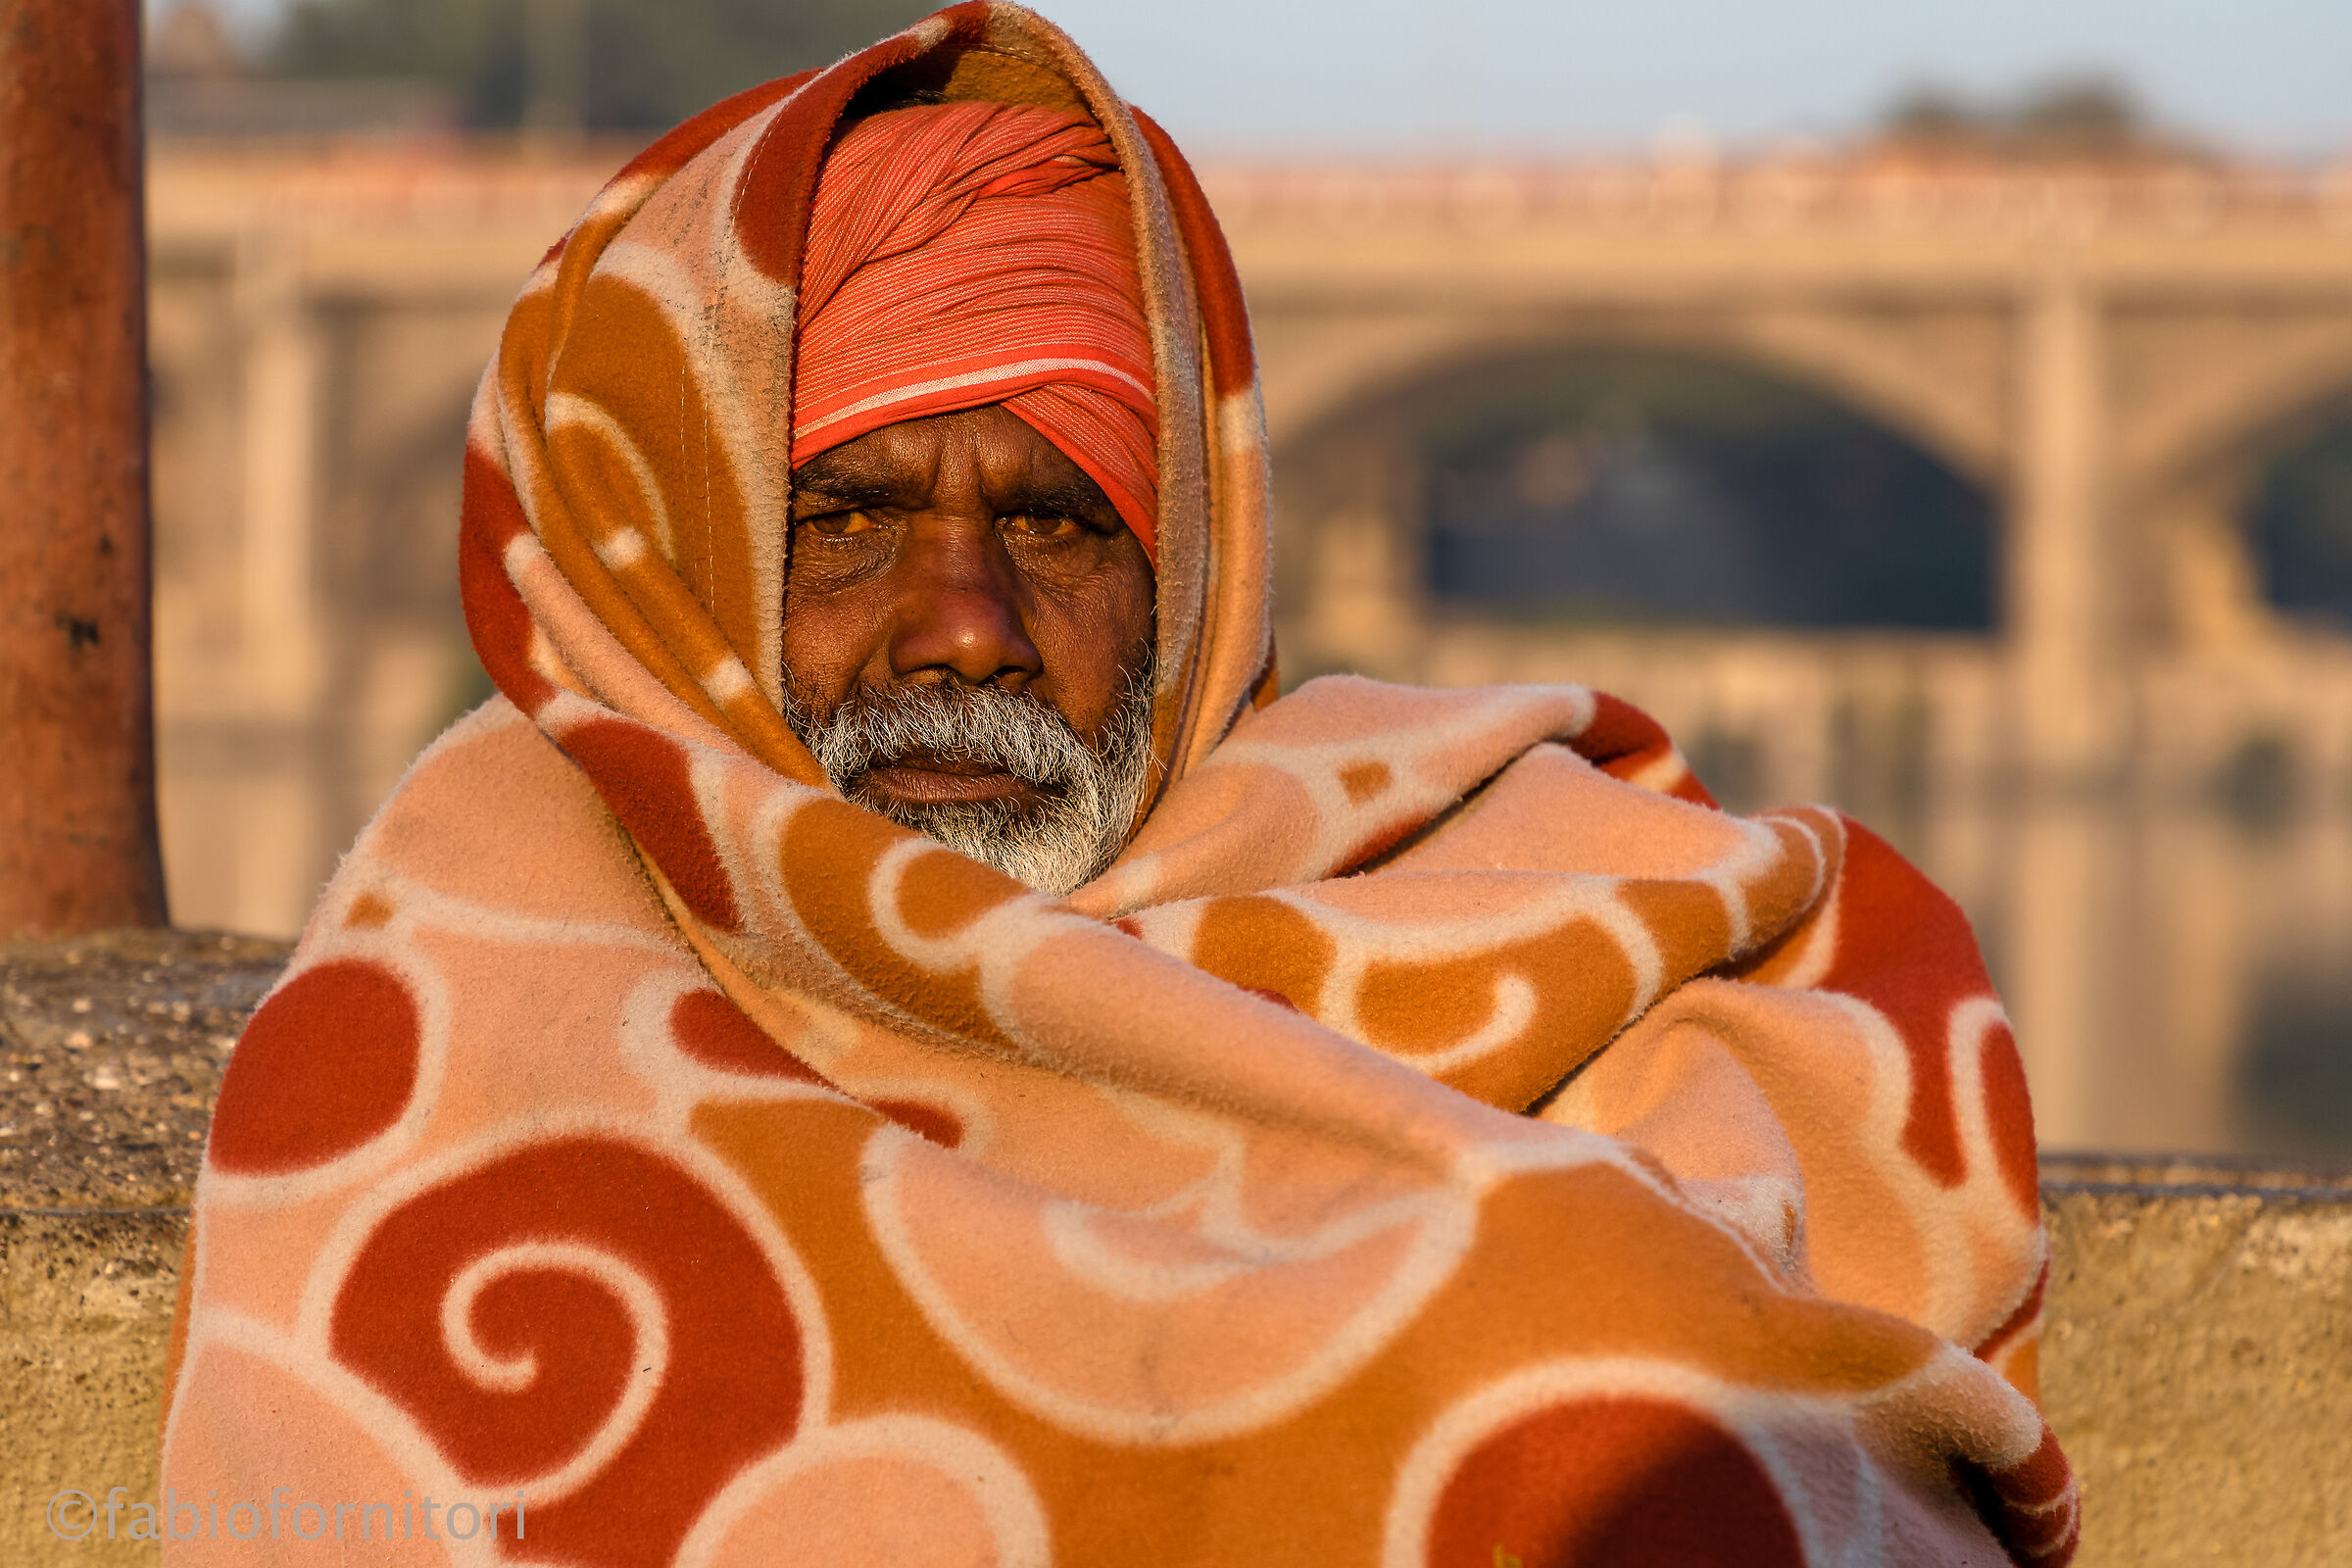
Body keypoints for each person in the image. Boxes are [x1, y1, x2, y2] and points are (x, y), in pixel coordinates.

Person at [162, 5, 2075, 1564]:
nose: (966, 628)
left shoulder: (1549, 910)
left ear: (1196, 576)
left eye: (1058, 525)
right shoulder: (464, 973)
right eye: (847, 523)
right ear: (680, 568)